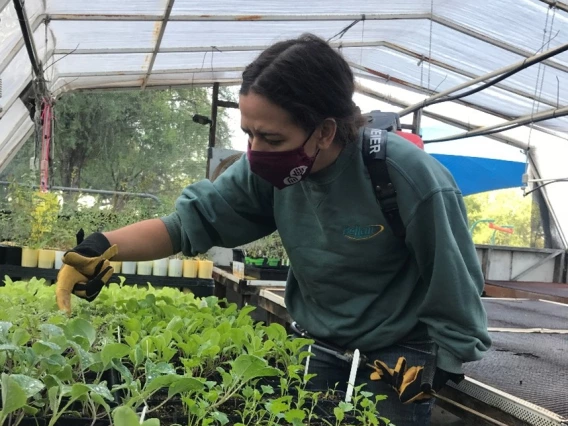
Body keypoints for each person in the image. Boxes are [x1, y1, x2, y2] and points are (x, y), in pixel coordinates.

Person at [56, 33, 491, 425]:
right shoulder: (264, 172)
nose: (256, 152)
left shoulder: (404, 175)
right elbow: (190, 224)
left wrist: (445, 366)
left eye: (273, 139)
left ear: (324, 130)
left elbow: (452, 275)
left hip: (399, 357)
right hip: (322, 342)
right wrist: (103, 246)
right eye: (249, 135)